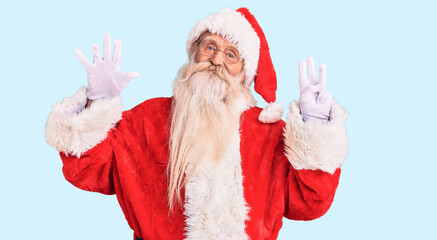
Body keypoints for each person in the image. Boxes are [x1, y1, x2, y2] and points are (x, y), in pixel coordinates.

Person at [45, 7, 349, 240]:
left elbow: (310, 202)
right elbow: (87, 171)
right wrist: (96, 103)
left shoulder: (268, 133)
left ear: (245, 74)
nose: (216, 61)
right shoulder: (147, 119)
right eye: (210, 47)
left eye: (231, 54)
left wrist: (315, 128)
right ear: (194, 54)